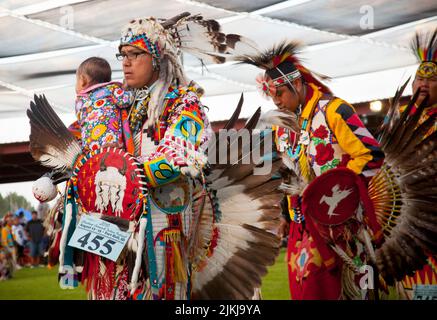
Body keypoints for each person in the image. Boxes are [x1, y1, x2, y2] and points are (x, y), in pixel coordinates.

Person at [238, 41, 385, 299]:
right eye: (272, 97)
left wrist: (338, 191)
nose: (277, 102)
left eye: (280, 94)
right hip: (301, 230)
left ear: (296, 84)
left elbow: (371, 154)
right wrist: (284, 214)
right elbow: (283, 172)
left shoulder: (334, 110)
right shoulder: (279, 126)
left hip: (340, 226)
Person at [398, 28, 437, 300]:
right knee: (418, 289)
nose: (422, 84)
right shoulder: (399, 121)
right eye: (418, 79)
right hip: (409, 225)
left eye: (431, 79)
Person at [69, 56, 135, 153]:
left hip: (89, 147)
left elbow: (80, 121)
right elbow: (125, 101)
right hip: (110, 143)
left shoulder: (81, 101)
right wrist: (129, 90)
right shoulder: (111, 89)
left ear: (82, 80)